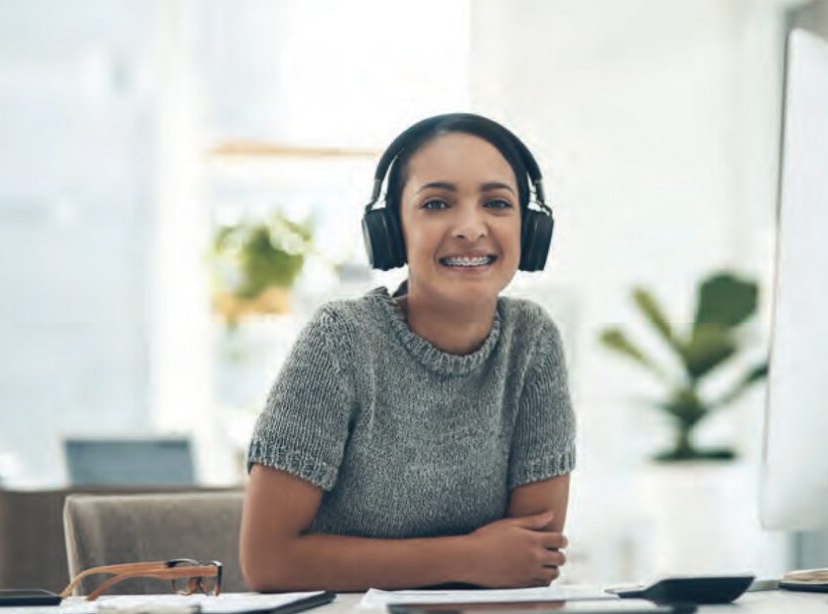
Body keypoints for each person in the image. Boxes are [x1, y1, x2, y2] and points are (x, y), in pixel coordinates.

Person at [239, 114, 576, 593]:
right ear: (391, 230)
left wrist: (483, 562)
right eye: (437, 203)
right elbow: (269, 563)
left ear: (531, 228)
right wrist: (468, 557)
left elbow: (527, 560)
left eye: (497, 203)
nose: (470, 228)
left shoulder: (533, 342)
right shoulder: (341, 342)